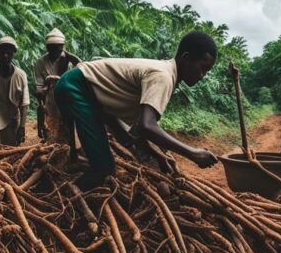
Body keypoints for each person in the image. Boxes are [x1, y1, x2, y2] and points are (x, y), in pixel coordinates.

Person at [53, 30, 220, 190]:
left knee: (122, 140)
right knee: (103, 170)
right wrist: (192, 153)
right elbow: (148, 126)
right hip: (76, 87)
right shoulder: (163, 76)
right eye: (202, 67)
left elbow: (138, 130)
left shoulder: (166, 73)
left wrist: (159, 156)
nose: (203, 75)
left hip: (88, 94)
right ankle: (64, 197)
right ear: (186, 58)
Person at [0, 37, 30, 146]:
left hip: (12, 119)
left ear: (14, 54)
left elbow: (24, 104)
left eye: (9, 53)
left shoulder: (21, 75)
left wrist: (22, 127)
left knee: (11, 149)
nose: (5, 56)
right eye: (2, 53)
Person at [34, 28, 80, 140]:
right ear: (47, 47)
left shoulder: (68, 60)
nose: (55, 49)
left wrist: (71, 58)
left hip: (66, 96)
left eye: (59, 46)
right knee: (50, 127)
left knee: (68, 127)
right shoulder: (40, 62)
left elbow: (81, 69)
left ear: (63, 46)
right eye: (52, 46)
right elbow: (39, 86)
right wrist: (42, 90)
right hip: (49, 98)